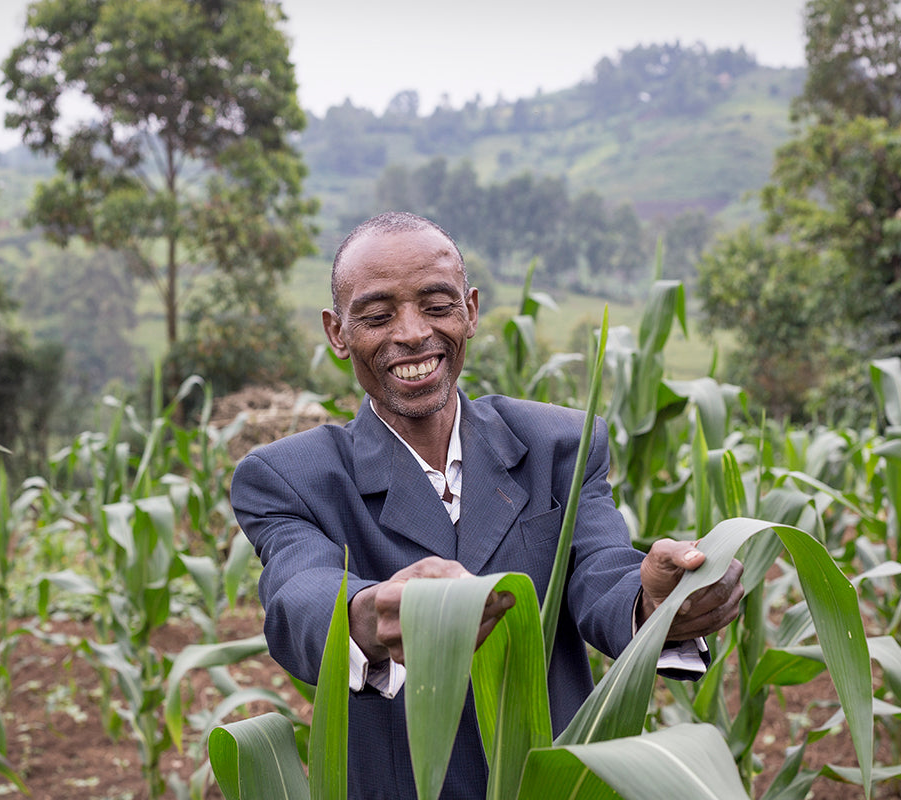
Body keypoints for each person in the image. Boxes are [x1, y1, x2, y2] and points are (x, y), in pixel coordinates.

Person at [230, 211, 744, 799]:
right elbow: (299, 594)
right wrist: (368, 614)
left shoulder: (559, 445)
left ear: (470, 311)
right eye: (376, 316)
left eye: (437, 306)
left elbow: (602, 570)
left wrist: (655, 599)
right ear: (337, 331)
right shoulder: (291, 477)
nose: (412, 333)